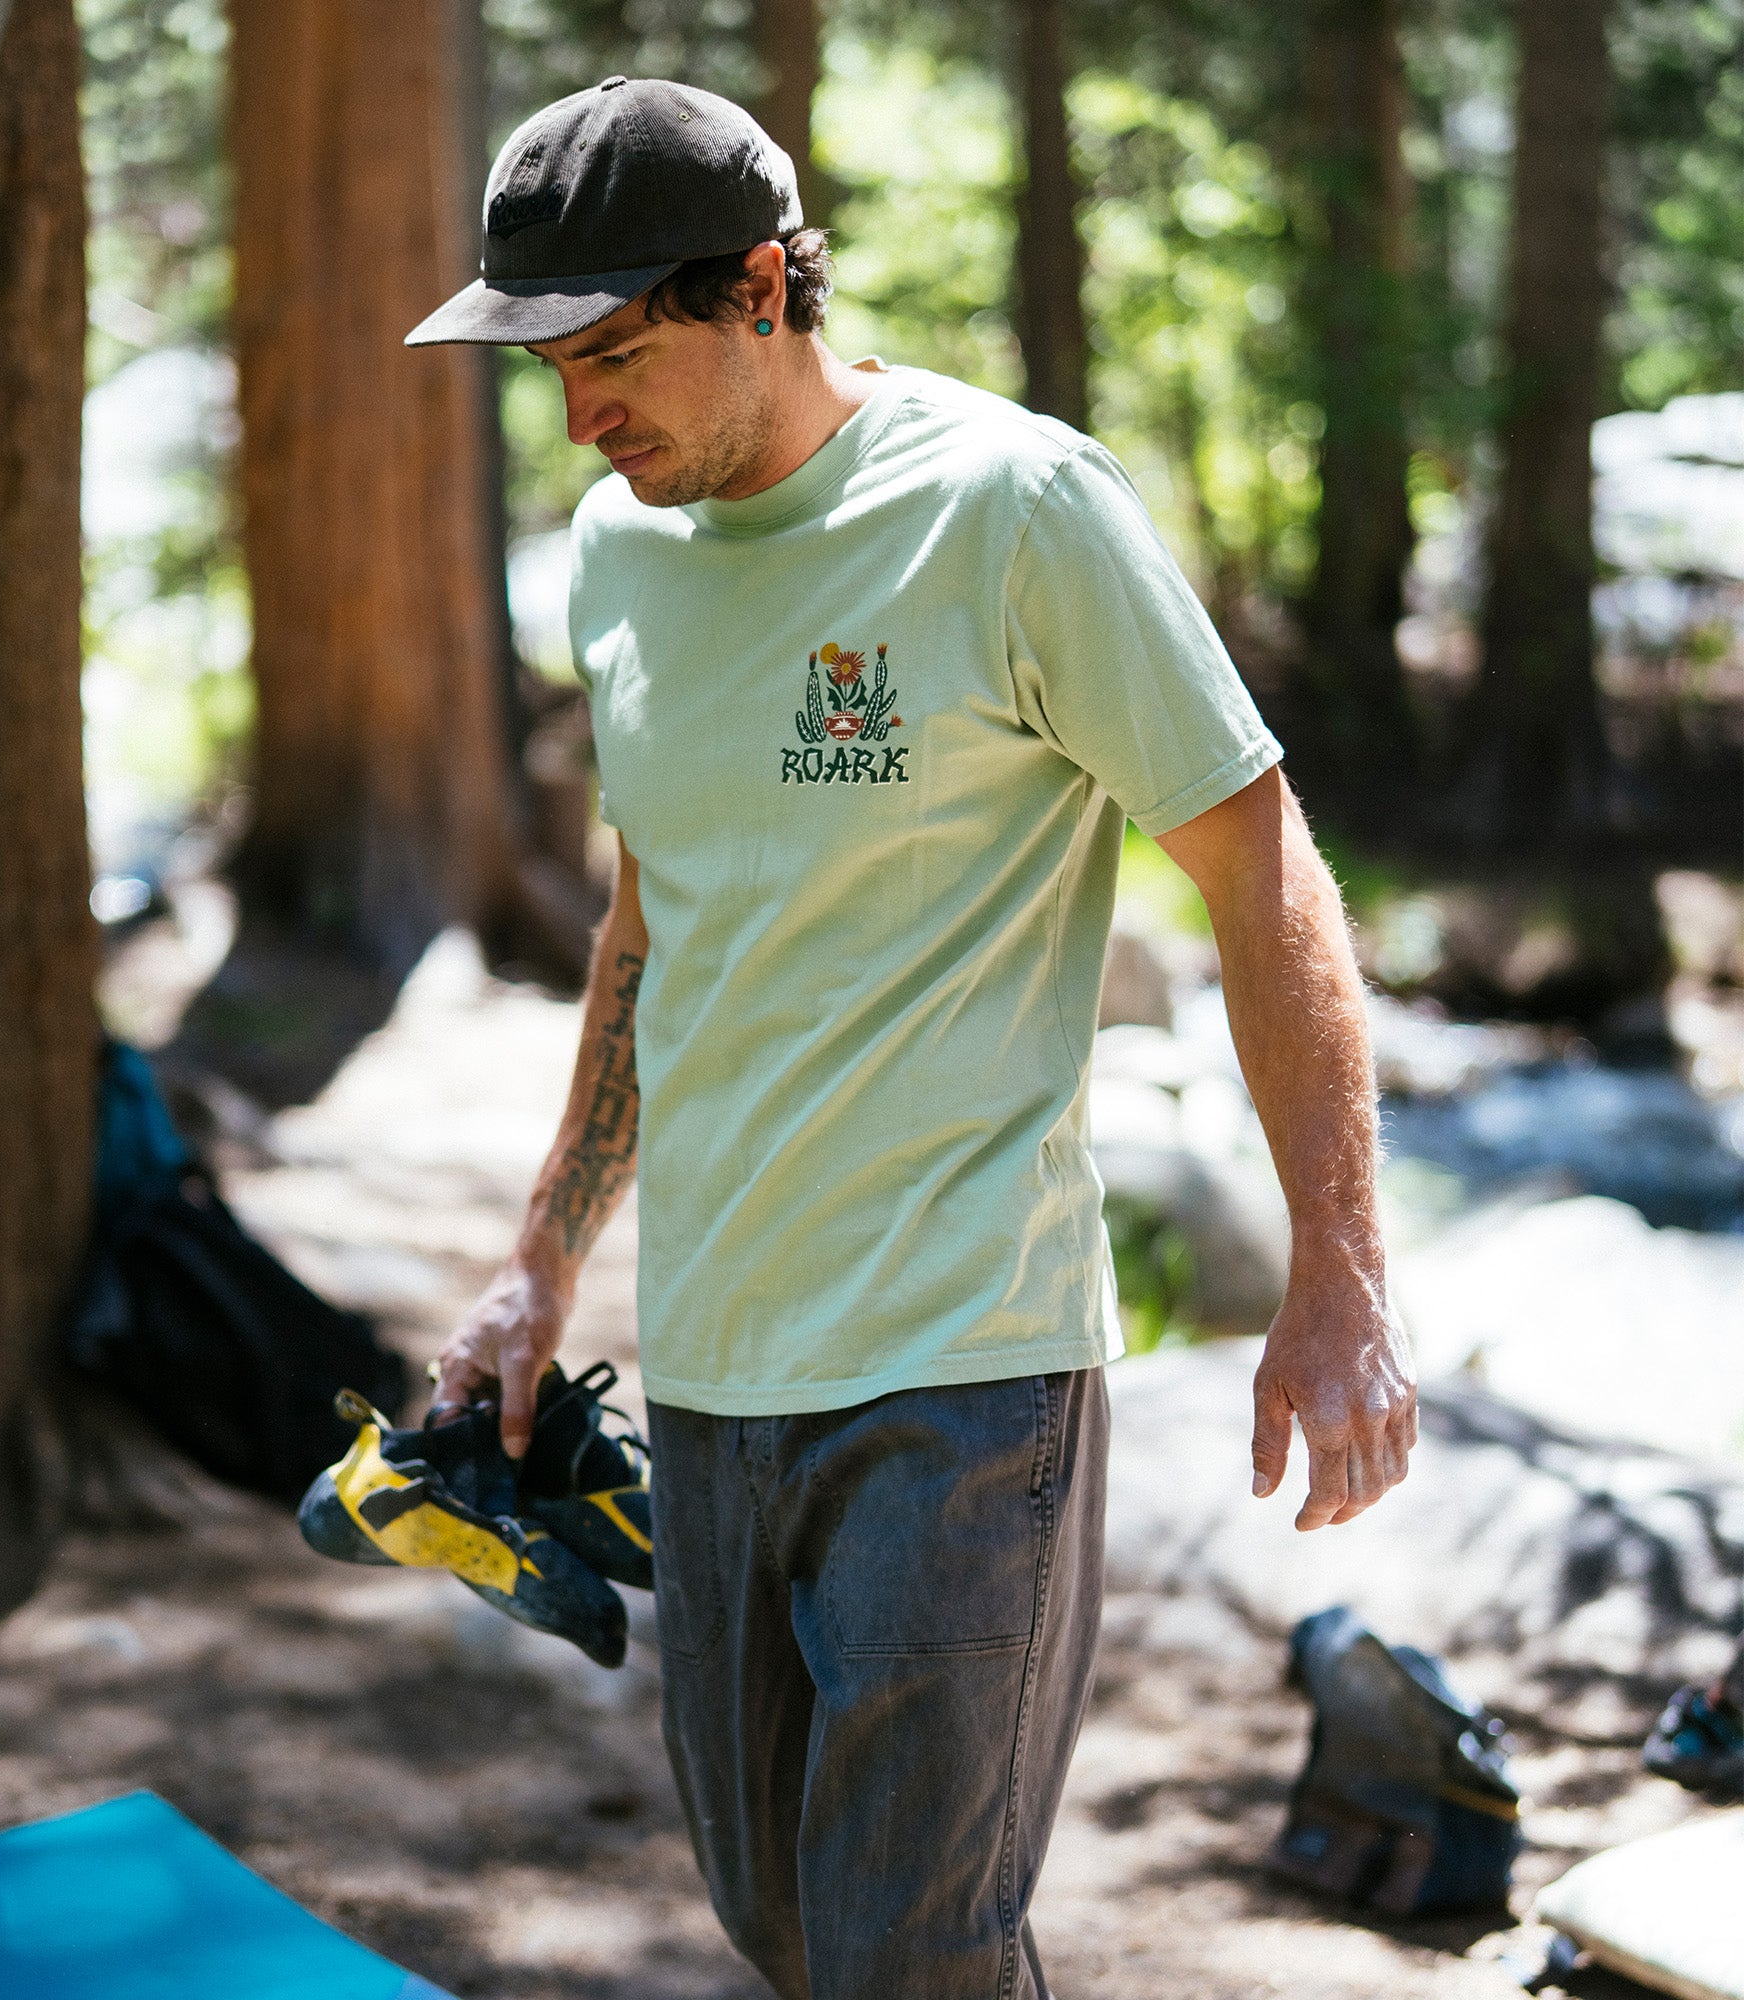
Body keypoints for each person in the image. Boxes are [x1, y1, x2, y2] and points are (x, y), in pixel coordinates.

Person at [410, 75, 1417, 2000]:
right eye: (546, 368)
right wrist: (537, 1269)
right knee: (784, 1927)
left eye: (612, 353)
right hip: (712, 1367)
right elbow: (647, 931)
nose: (578, 414)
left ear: (766, 291)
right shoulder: (617, 558)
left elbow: (1258, 865)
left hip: (962, 1375)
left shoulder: (1013, 508)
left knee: (909, 1959)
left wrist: (1339, 1276)